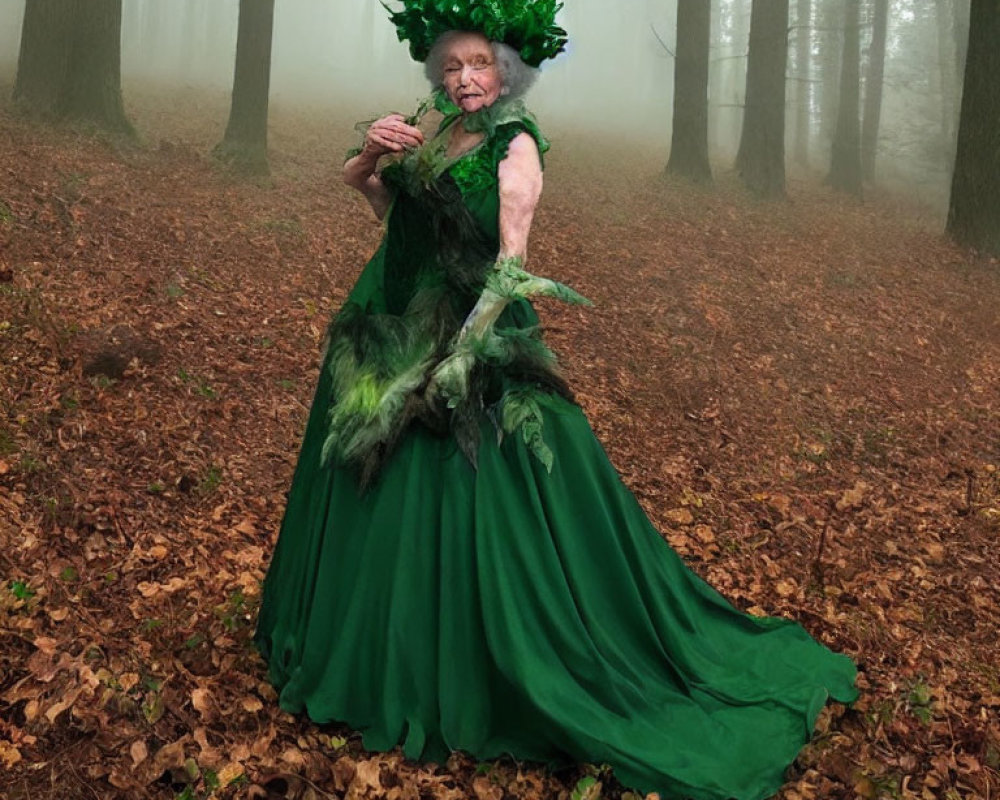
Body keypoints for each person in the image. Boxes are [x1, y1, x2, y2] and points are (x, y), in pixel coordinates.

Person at [254, 3, 859, 799]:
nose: (465, 80)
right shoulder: (431, 130)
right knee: (370, 479)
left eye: (480, 65)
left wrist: (461, 359)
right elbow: (379, 205)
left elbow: (512, 268)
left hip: (469, 332)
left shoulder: (518, 144)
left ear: (509, 69)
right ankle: (365, 651)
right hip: (387, 324)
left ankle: (465, 670)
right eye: (452, 67)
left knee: (468, 500)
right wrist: (370, 152)